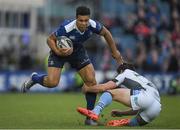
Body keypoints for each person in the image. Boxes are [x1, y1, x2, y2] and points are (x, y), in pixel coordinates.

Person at [21, 6, 123, 125]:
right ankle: (35, 78)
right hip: (59, 52)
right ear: (76, 19)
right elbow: (49, 39)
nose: (84, 23)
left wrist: (114, 51)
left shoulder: (93, 25)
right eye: (81, 20)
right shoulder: (67, 27)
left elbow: (106, 33)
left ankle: (90, 117)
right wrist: (58, 51)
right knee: (52, 82)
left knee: (91, 81)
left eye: (86, 20)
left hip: (77, 51)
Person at [77, 63, 161, 127]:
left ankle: (95, 112)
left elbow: (103, 88)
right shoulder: (141, 79)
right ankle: (127, 122)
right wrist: (122, 113)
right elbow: (142, 104)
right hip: (156, 108)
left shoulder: (125, 73)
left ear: (121, 71)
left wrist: (87, 89)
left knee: (109, 92)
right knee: (133, 123)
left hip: (144, 96)